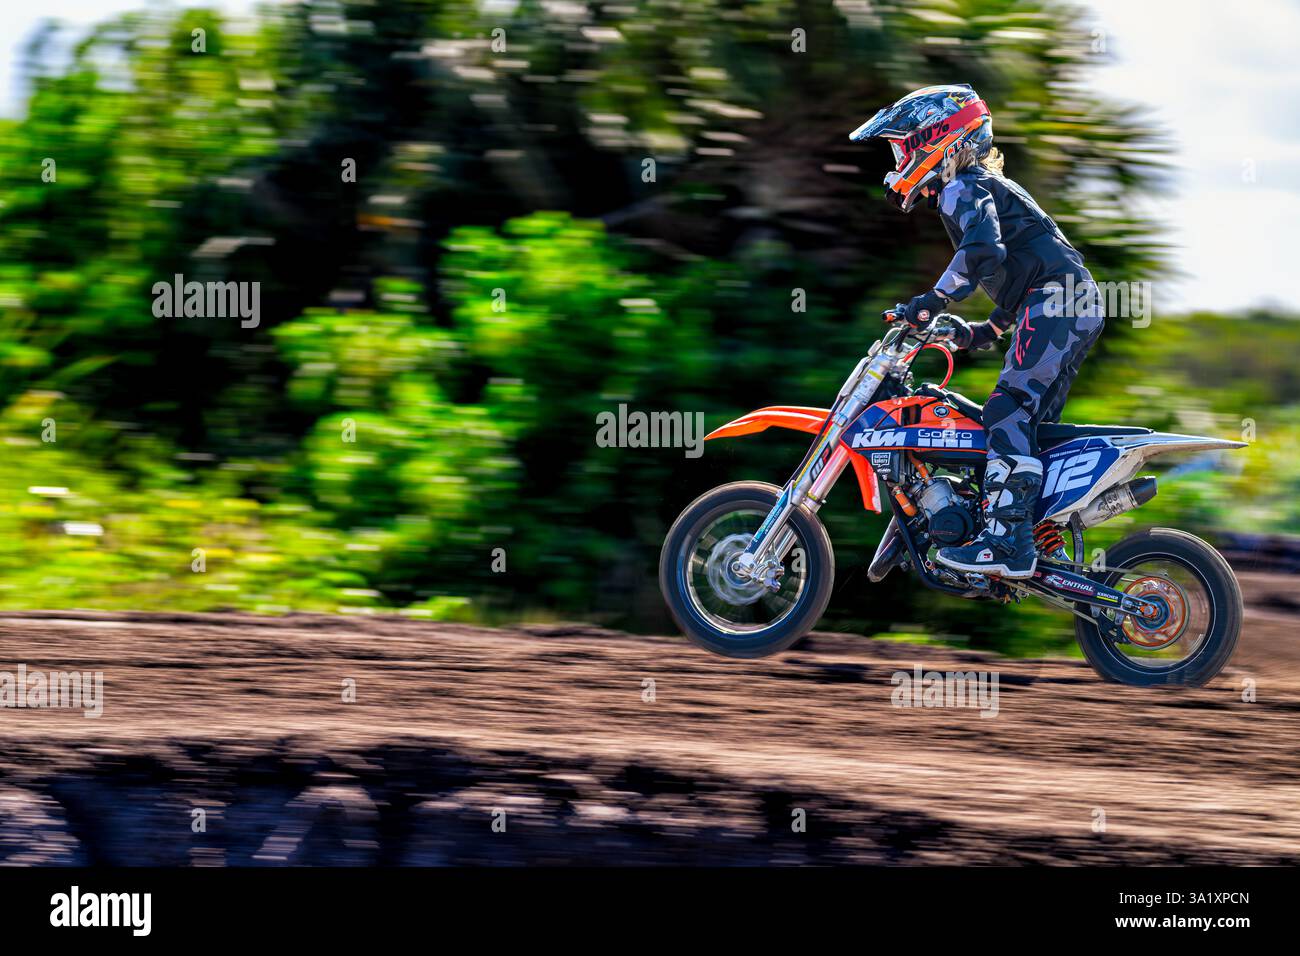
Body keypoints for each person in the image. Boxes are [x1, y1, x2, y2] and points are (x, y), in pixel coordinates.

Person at [849, 84, 1104, 579]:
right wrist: (985, 330)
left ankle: (1008, 545)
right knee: (1025, 426)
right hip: (1065, 301)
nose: (899, 159)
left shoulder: (961, 185)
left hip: (1057, 301)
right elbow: (1029, 262)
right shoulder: (981, 184)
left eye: (904, 145)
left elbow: (984, 254)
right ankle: (1027, 530)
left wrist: (931, 302)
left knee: (1006, 410)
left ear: (939, 140)